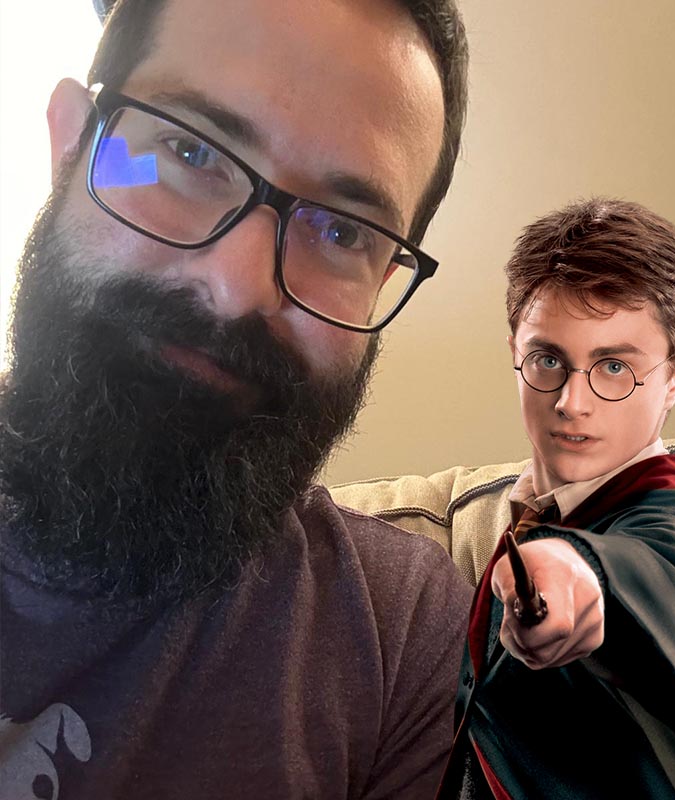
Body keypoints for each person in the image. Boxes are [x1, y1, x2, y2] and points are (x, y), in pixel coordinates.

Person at [0, 0, 473, 797]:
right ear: (71, 142)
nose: (236, 287)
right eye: (189, 151)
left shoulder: (404, 642)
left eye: (344, 232)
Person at [437, 198, 675, 799]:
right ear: (515, 354)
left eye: (614, 367)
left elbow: (656, 571)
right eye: (548, 360)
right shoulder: (534, 511)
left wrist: (576, 573)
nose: (571, 402)